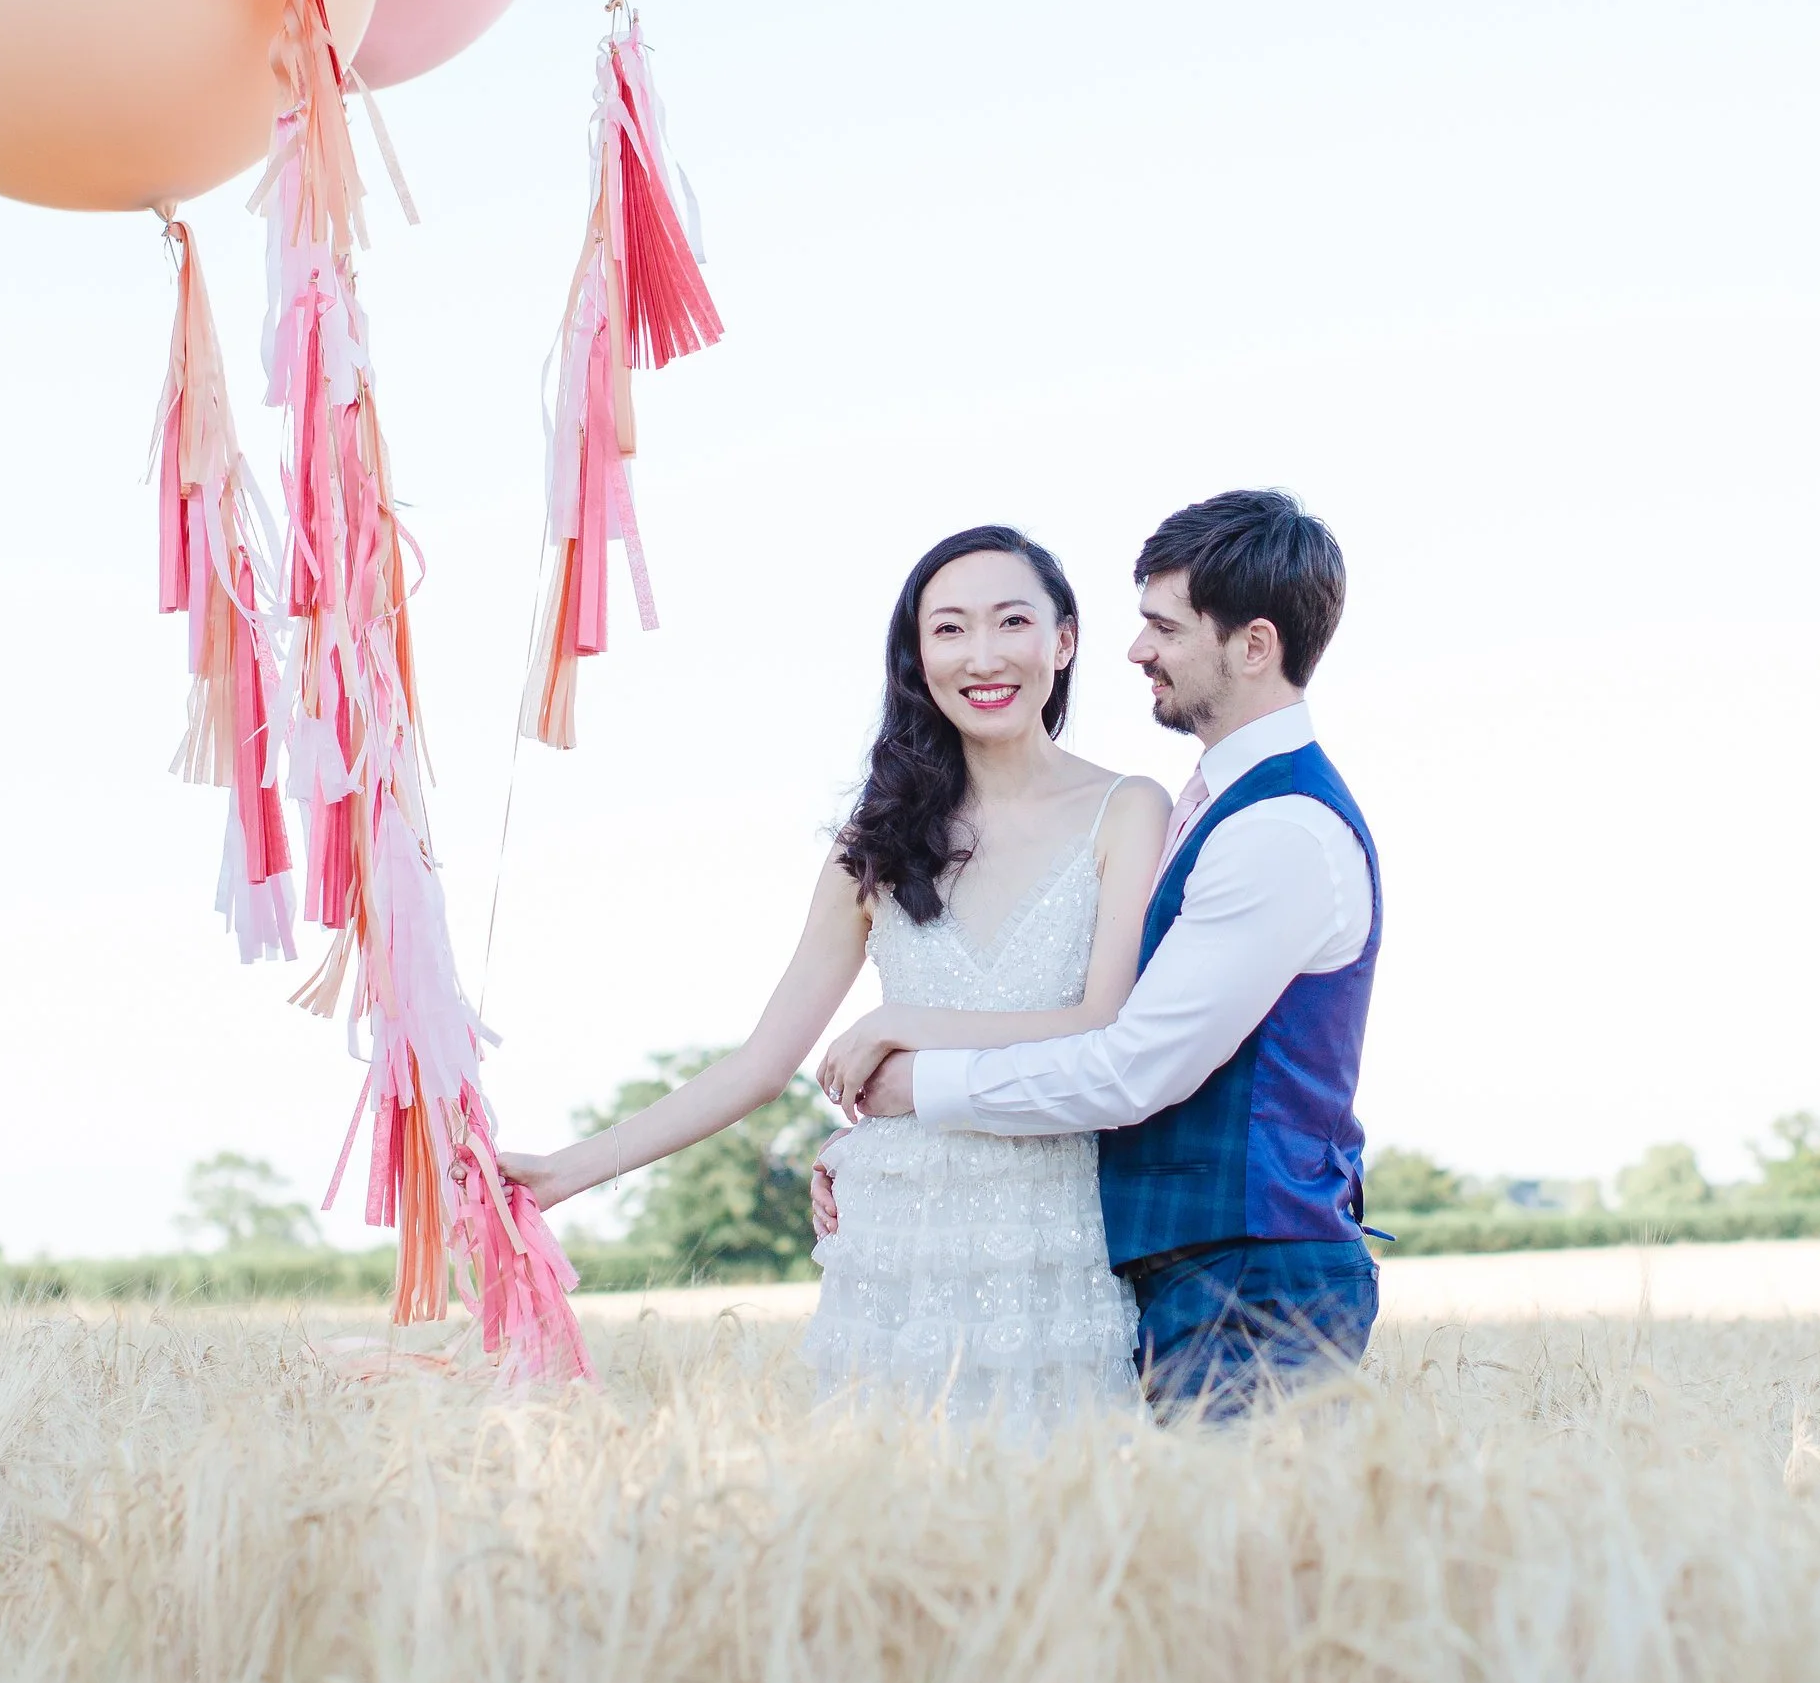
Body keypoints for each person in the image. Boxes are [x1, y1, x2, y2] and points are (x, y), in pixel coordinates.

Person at [497, 525, 1168, 1434]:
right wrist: (563, 1174)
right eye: (948, 630)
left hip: (1056, 1237)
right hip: (892, 1246)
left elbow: (1105, 1023)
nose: (983, 656)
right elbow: (760, 1066)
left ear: (1064, 640)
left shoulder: (1129, 809)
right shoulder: (878, 844)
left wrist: (905, 1019)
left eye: (1011, 621)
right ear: (917, 657)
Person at [818, 488, 1381, 1417]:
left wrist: (913, 1090)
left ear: (1253, 645)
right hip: (1187, 1271)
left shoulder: (1277, 829)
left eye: (1163, 626)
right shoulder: (1211, 802)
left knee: (1236, 1558)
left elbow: (1129, 1069)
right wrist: (885, 1151)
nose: (1137, 650)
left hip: (1253, 1282)